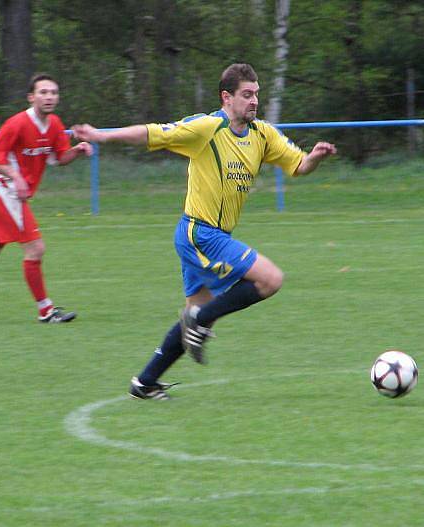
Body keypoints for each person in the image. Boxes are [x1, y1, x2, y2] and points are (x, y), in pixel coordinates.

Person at [73, 63, 337, 400]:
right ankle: (200, 319)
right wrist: (101, 136)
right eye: (247, 94)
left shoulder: (263, 134)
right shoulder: (207, 128)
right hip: (201, 233)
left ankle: (145, 382)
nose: (254, 101)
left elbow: (298, 165)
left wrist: (315, 157)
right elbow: (153, 133)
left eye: (256, 94)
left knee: (192, 318)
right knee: (270, 280)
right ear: (226, 97)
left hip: (208, 236)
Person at [0, 73, 93, 324]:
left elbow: (58, 158)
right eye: (43, 92)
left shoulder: (54, 124)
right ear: (31, 97)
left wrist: (77, 150)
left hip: (12, 194)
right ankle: (46, 311)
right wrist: (17, 177)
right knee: (35, 248)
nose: (49, 97)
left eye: (53, 92)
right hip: (5, 191)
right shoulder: (17, 124)